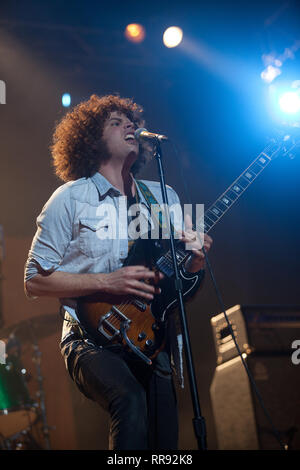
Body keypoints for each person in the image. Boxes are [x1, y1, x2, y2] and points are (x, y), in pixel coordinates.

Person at [24, 94, 213, 450]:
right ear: (92, 140)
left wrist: (195, 262)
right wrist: (106, 281)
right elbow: (33, 279)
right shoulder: (70, 198)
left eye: (131, 120)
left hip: (151, 338)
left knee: (164, 441)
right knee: (128, 401)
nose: (130, 124)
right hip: (89, 338)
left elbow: (179, 289)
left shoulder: (163, 197)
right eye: (116, 121)